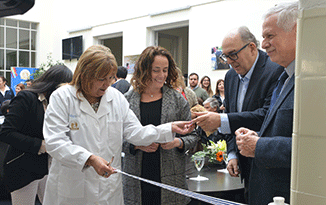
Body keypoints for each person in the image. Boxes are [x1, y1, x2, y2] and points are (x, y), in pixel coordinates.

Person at [42, 45, 193, 205]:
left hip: (108, 190)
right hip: (72, 189)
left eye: (110, 78)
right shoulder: (62, 98)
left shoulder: (116, 98)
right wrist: (89, 159)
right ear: (85, 75)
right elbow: (54, 142)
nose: (107, 84)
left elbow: (136, 133)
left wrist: (169, 128)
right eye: (101, 79)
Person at [192, 25, 284, 203]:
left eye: (233, 54)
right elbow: (234, 118)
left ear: (251, 47)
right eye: (225, 56)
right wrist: (233, 153)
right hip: (243, 167)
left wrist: (220, 120)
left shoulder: (275, 70)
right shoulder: (231, 77)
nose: (229, 61)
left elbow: (266, 116)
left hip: (267, 166)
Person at [234, 2, 298, 204]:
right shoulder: (285, 78)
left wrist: (260, 146)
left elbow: (315, 148)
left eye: (270, 36)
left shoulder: (312, 83)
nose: (264, 44)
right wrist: (258, 137)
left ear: (297, 31)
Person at [122, 46, 198, 205]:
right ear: (144, 70)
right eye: (156, 70)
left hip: (170, 176)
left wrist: (177, 142)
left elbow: (194, 135)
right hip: (137, 175)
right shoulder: (127, 100)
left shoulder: (177, 100)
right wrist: (136, 146)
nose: (161, 75)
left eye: (165, 70)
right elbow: (116, 137)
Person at [0, 65, 73, 205]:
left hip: (48, 167)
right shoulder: (26, 97)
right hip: (23, 167)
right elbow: (7, 133)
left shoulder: (56, 102)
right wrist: (41, 145)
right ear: (55, 84)